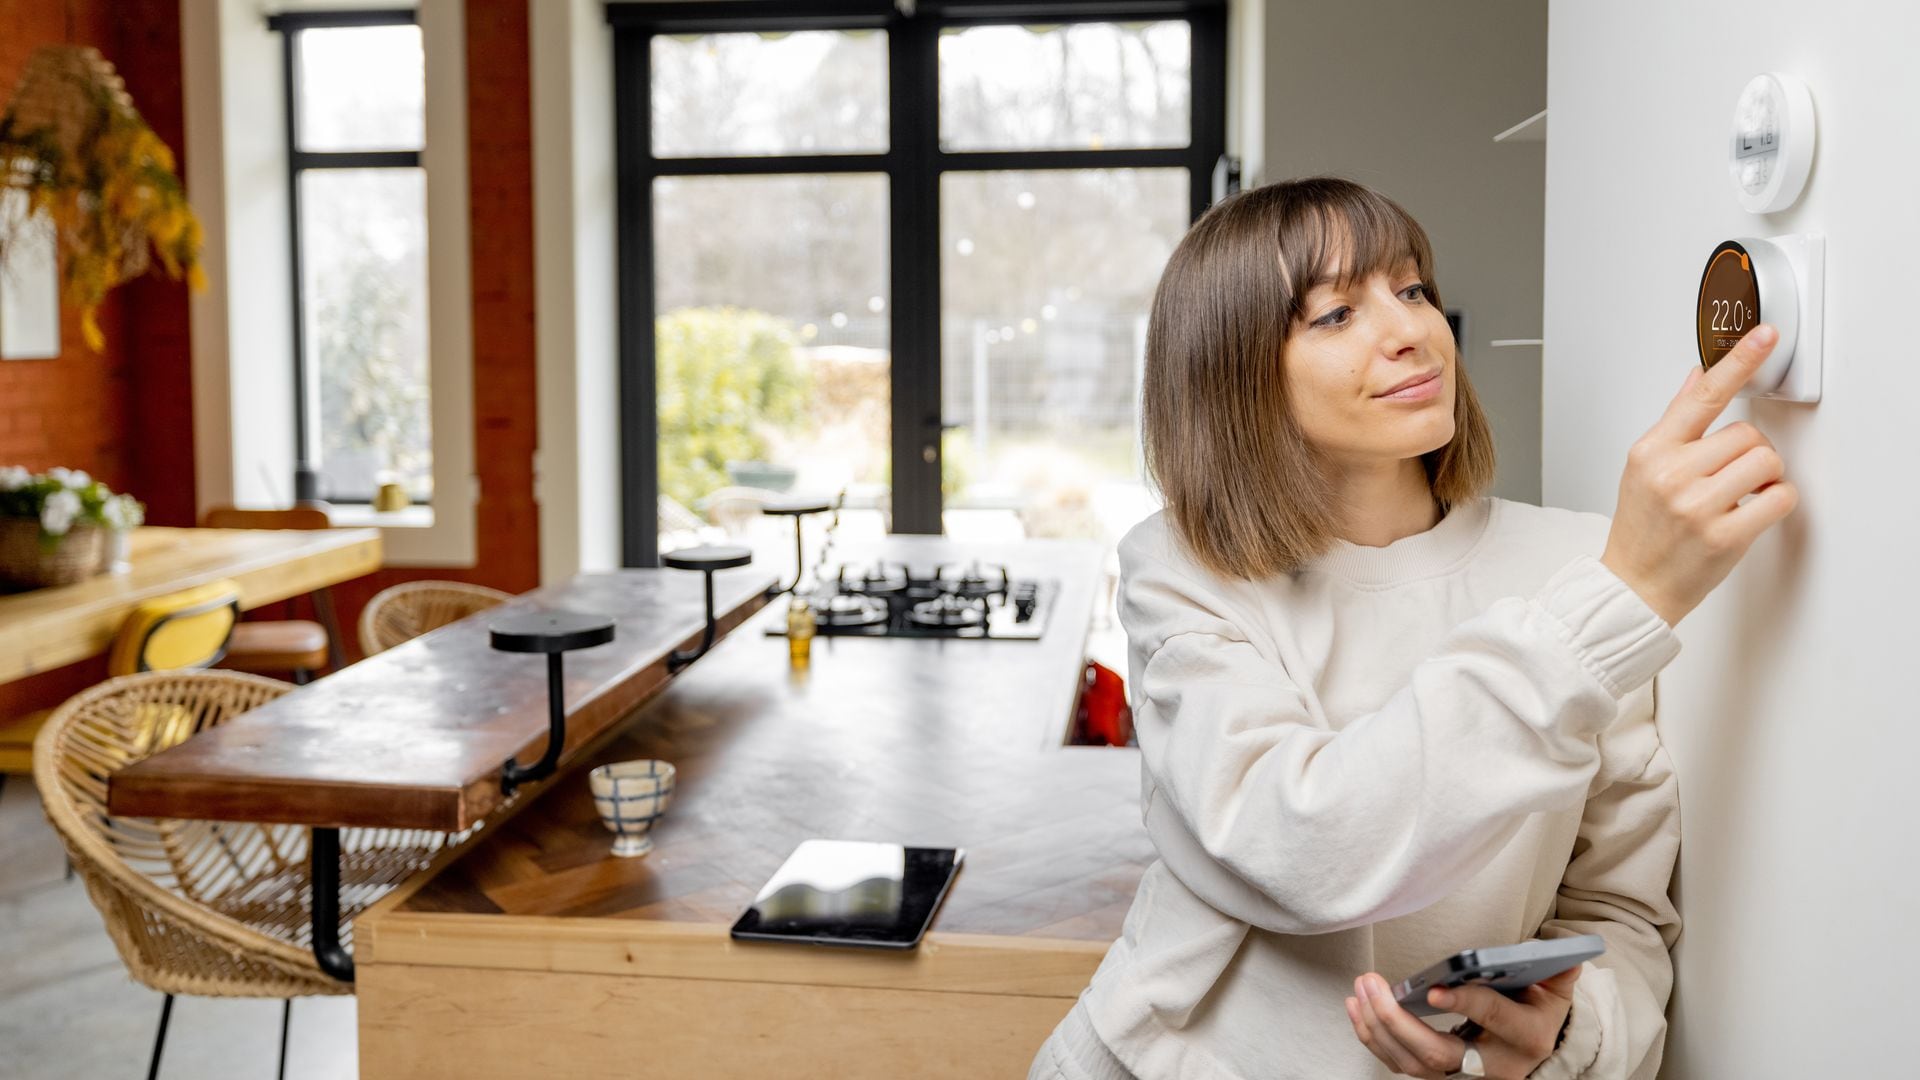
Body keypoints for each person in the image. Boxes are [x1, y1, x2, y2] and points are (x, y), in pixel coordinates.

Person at [1028, 177, 1798, 1080]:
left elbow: (1620, 913)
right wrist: (1617, 601)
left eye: (1413, 289)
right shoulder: (1184, 571)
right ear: (1233, 374)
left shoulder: (1584, 565)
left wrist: (1559, 1034)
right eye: (1335, 314)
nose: (1411, 331)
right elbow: (1307, 848)